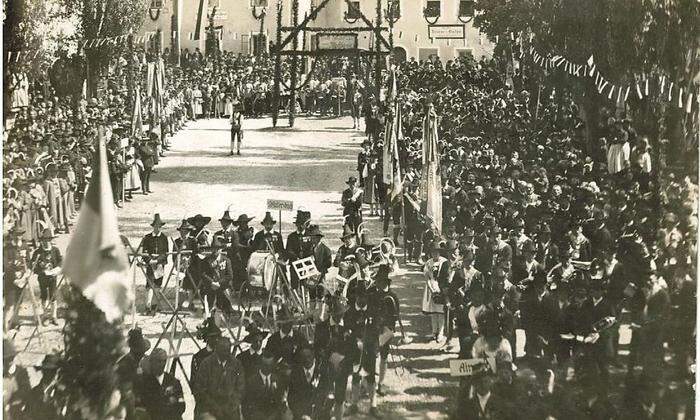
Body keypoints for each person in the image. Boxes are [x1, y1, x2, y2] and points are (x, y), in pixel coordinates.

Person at [344, 288, 381, 418]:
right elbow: (347, 330)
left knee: (370, 378)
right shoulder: (349, 312)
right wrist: (355, 340)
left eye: (364, 296)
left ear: (367, 297)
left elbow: (377, 331)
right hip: (354, 351)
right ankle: (354, 404)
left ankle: (373, 406)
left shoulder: (373, 312)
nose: (361, 299)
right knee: (355, 377)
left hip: (369, 350)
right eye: (359, 296)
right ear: (356, 297)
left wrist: (373, 348)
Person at [193, 337, 245, 420]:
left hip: (230, 408)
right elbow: (200, 390)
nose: (226, 353)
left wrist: (231, 405)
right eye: (223, 350)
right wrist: (215, 408)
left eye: (228, 350)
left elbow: (240, 388)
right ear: (217, 349)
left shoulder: (236, 364)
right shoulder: (206, 364)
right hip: (209, 408)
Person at [370, 265, 399, 396]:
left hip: (385, 331)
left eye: (380, 282)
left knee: (383, 357)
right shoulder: (373, 294)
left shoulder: (392, 297)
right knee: (371, 355)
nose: (377, 284)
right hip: (373, 328)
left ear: (385, 282)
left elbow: (395, 317)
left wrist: (387, 330)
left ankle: (381, 384)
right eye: (377, 282)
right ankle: (371, 383)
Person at [137, 348, 185, 420]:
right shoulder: (144, 382)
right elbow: (141, 406)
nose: (161, 364)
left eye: (163, 361)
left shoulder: (174, 382)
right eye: (157, 361)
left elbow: (181, 406)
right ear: (151, 362)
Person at [241, 349, 287, 420]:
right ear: (260, 365)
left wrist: (275, 415)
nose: (268, 368)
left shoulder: (278, 380)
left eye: (270, 365)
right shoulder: (251, 381)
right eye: (265, 365)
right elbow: (246, 405)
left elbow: (281, 402)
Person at [31, 228, 62, 325]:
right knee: (44, 296)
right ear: (41, 241)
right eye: (45, 240)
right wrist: (41, 271)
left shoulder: (55, 250)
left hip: (53, 277)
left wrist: (57, 270)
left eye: (49, 239)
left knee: (53, 296)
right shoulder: (38, 252)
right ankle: (45, 316)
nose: (47, 242)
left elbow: (60, 261)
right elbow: (33, 267)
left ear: (51, 240)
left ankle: (54, 316)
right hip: (42, 278)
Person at [141, 213, 169, 315]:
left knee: (158, 285)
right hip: (150, 264)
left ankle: (155, 306)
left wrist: (157, 261)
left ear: (161, 226)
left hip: (160, 264)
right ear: (153, 226)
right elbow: (144, 251)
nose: (158, 227)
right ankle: (147, 306)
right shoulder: (147, 237)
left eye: (159, 226)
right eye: (156, 225)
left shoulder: (164, 238)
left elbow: (166, 252)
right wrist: (149, 260)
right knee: (149, 284)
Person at [422, 243, 449, 342]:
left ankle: (441, 333)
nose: (435, 254)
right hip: (431, 287)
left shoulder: (444, 262)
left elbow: (446, 277)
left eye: (437, 252)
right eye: (433, 252)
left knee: (441, 311)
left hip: (441, 287)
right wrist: (431, 289)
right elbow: (427, 278)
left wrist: (440, 288)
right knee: (433, 312)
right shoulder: (429, 263)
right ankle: (434, 331)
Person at [285, 210, 313, 290]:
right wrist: (296, 258)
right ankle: (295, 300)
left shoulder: (310, 235)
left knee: (306, 285)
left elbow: (312, 248)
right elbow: (288, 250)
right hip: (294, 264)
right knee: (294, 284)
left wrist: (308, 257)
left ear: (305, 225)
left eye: (302, 224)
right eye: (298, 224)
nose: (300, 226)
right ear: (296, 225)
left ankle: (305, 300)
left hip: (307, 264)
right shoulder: (291, 236)